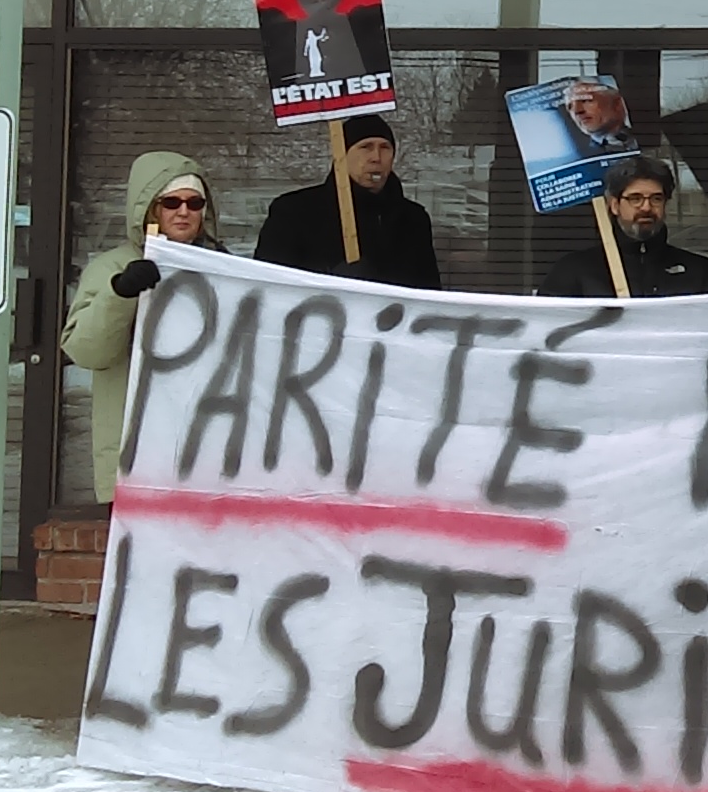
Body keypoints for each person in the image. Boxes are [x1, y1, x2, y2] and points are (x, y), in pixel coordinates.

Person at [60, 153, 219, 502]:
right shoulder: (111, 268)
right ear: (150, 209)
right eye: (171, 201)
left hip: (210, 455)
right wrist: (121, 293)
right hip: (137, 456)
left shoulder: (224, 270)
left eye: (194, 202)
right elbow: (85, 350)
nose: (183, 211)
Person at [255, 115, 441, 289]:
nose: (376, 157)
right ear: (341, 156)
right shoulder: (294, 212)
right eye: (365, 147)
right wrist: (331, 282)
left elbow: (429, 293)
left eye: (385, 148)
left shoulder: (413, 220)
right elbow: (268, 288)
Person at [542, 157, 708, 298]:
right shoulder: (573, 271)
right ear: (614, 205)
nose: (646, 207)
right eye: (635, 198)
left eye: (656, 199)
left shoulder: (700, 272)